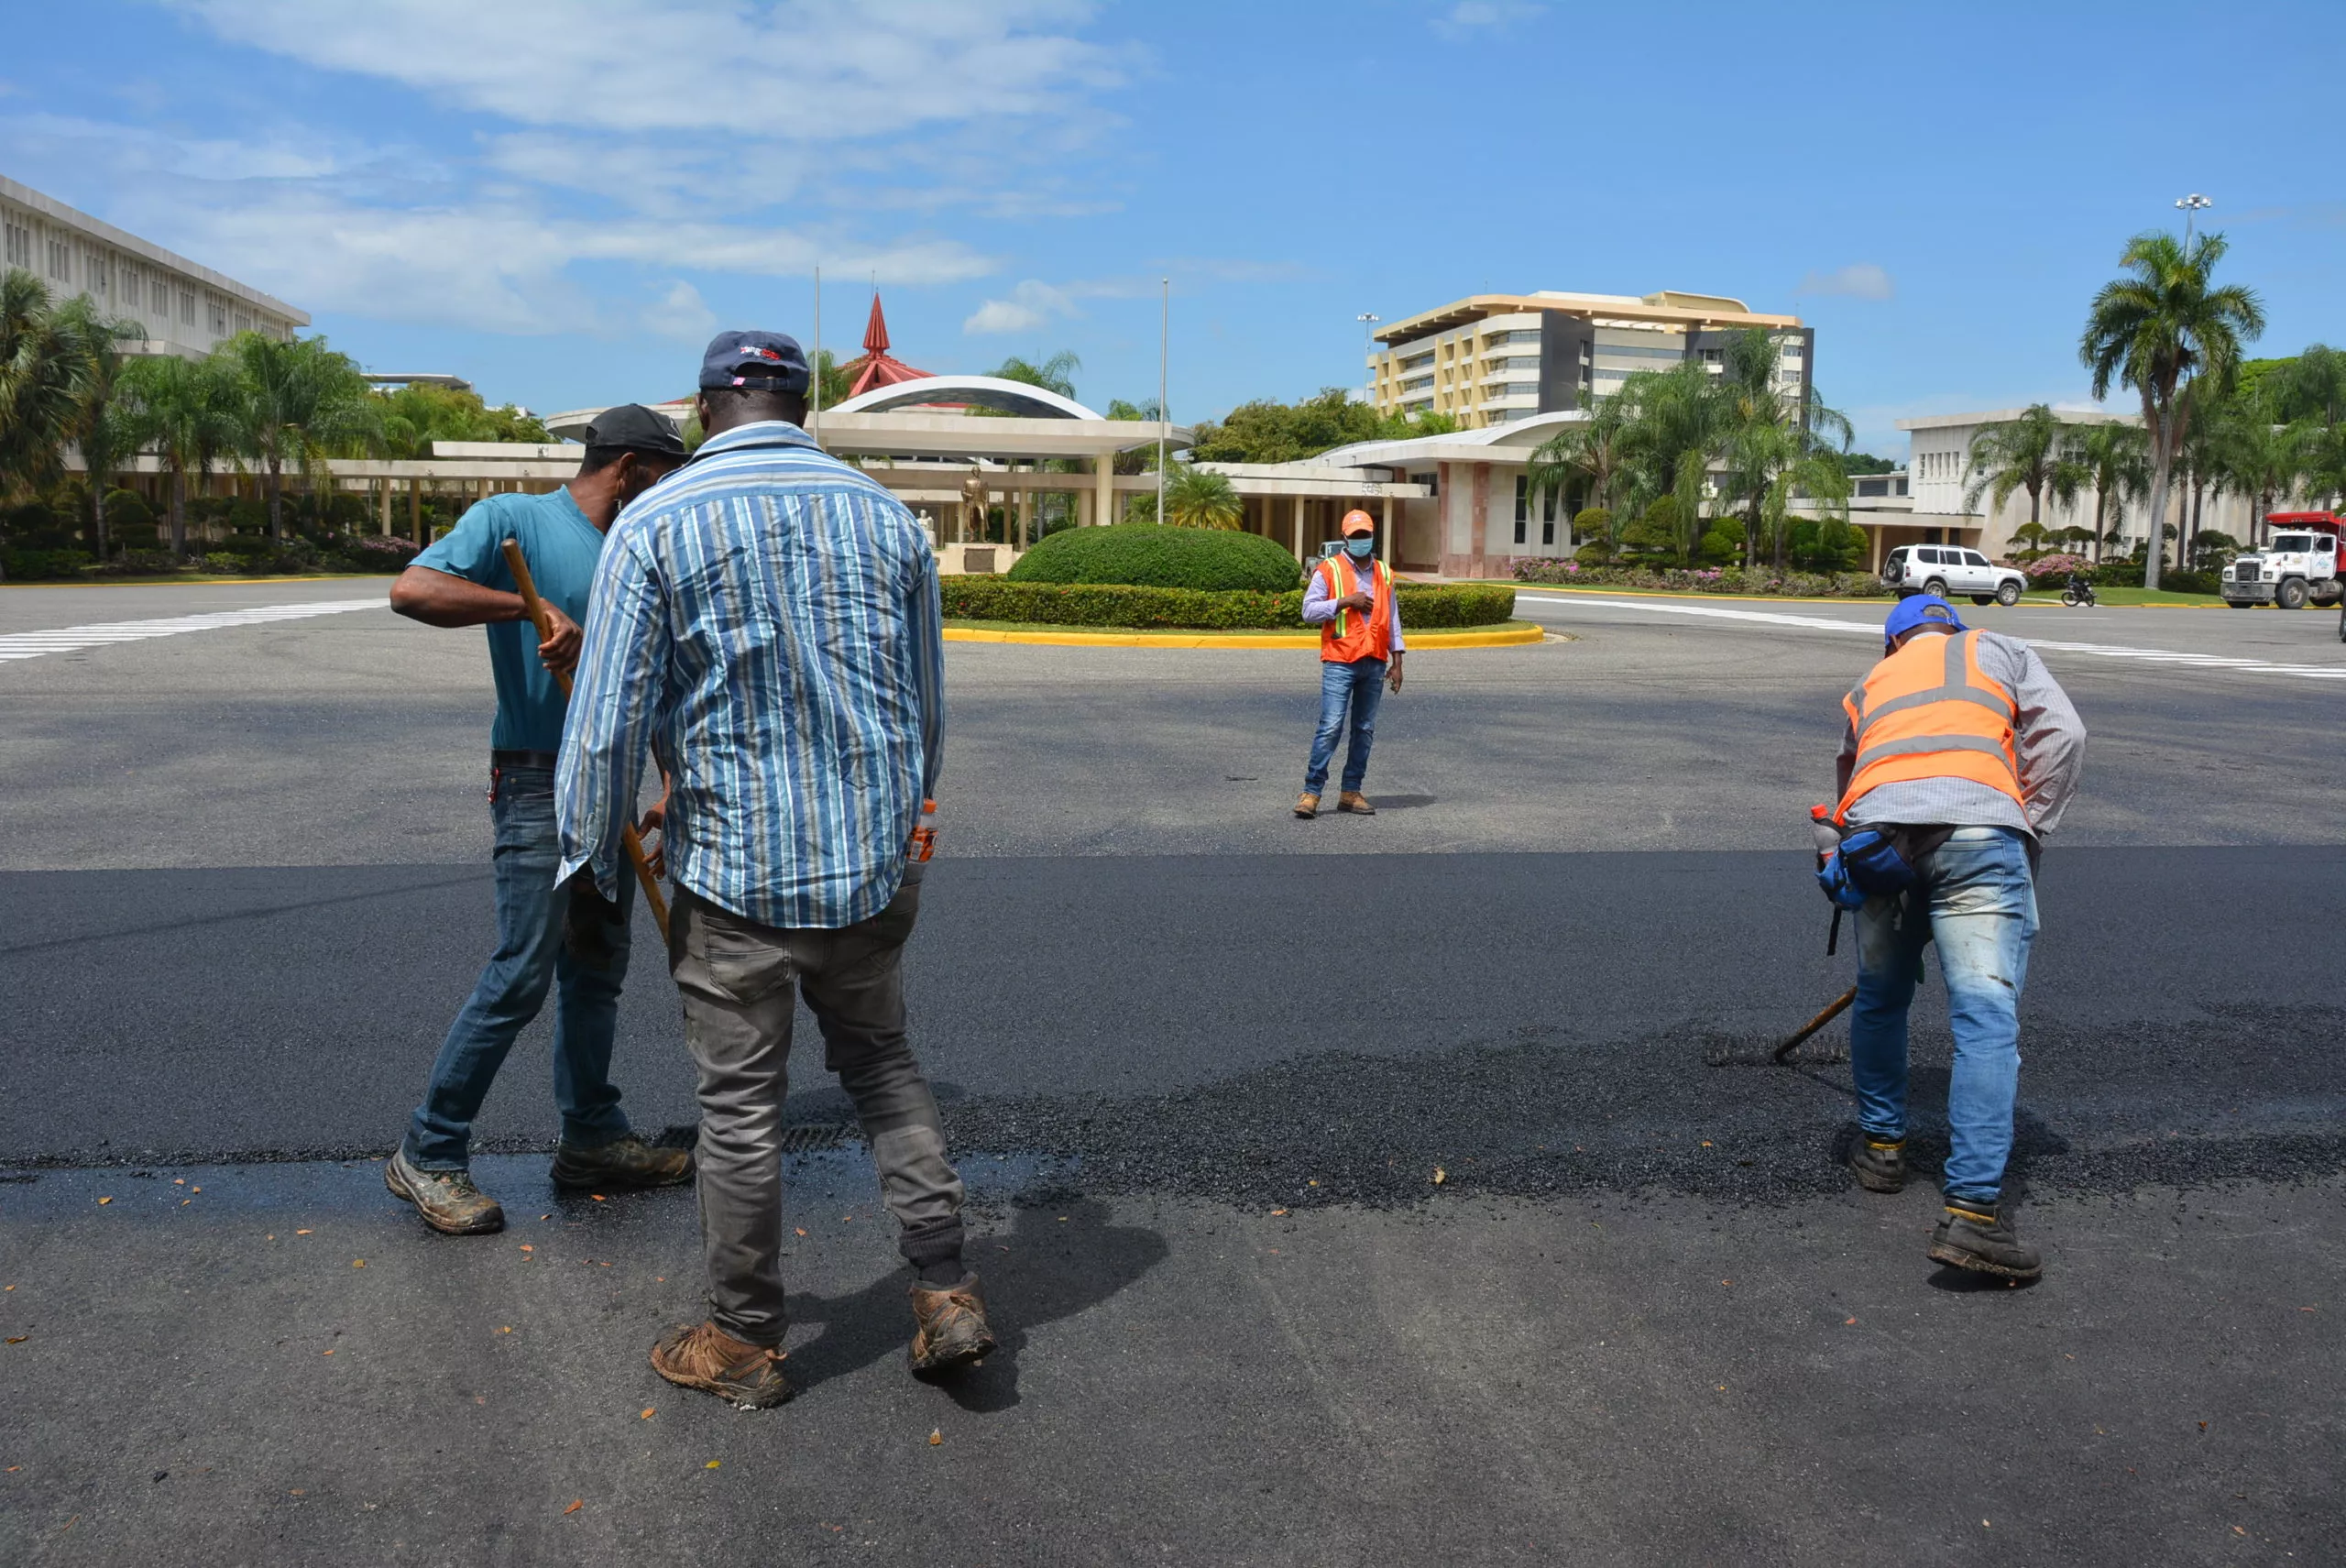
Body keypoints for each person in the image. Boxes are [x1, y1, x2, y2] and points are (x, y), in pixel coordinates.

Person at [558, 329, 988, 1409]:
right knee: (883, 1065)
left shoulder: (654, 520)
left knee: (741, 1108)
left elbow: (608, 724)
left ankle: (746, 1340)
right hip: (870, 866)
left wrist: (586, 862)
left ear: (706, 410)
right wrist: (899, 826)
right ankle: (944, 1288)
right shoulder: (884, 515)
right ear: (806, 411)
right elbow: (925, 707)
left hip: (734, 875)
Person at [381, 406, 693, 1236]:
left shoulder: (638, 548)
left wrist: (665, 775)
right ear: (629, 466)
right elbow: (412, 589)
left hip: (612, 784)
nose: (670, 493)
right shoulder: (512, 519)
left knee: (595, 969)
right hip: (538, 780)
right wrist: (529, 610)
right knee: (522, 970)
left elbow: (649, 675)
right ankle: (429, 1148)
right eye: (666, 475)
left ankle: (591, 1135)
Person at [1825, 594, 2084, 1281]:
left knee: (1880, 997)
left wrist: (1848, 853)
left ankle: (1881, 1149)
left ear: (1893, 645)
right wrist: (2028, 820)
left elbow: (1847, 783)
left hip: (1879, 842)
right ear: (1953, 629)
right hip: (1979, 838)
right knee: (1984, 1019)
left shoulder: (1868, 683)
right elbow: (2064, 735)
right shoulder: (1998, 649)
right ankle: (1972, 1214)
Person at [1294, 510, 1405, 819]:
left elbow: (1392, 616)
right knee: (1330, 727)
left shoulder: (1383, 571)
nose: (1361, 540)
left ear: (1372, 536)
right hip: (1340, 659)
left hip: (1374, 660)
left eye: (1365, 535)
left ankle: (1350, 791)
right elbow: (1309, 611)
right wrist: (1345, 602)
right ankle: (1311, 792)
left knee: (1364, 729)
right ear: (1345, 537)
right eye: (1355, 536)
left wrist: (1397, 660)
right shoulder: (1328, 570)